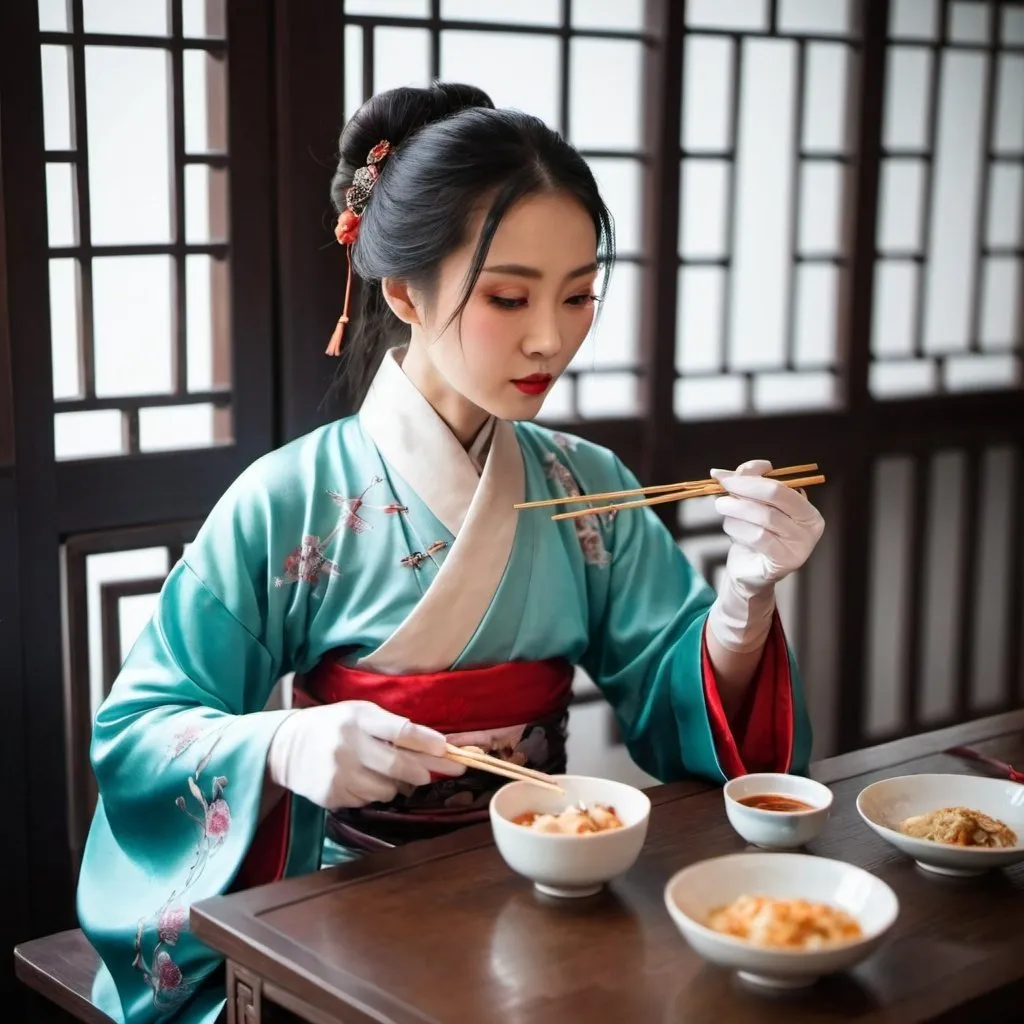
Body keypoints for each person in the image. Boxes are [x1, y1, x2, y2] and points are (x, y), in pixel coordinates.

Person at [76, 82, 824, 1024]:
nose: (553, 337)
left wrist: (744, 604)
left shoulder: (586, 483)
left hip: (551, 893)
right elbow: (140, 731)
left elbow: (677, 692)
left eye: (580, 295)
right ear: (401, 290)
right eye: (509, 296)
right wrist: (283, 743)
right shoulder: (291, 501)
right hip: (340, 909)